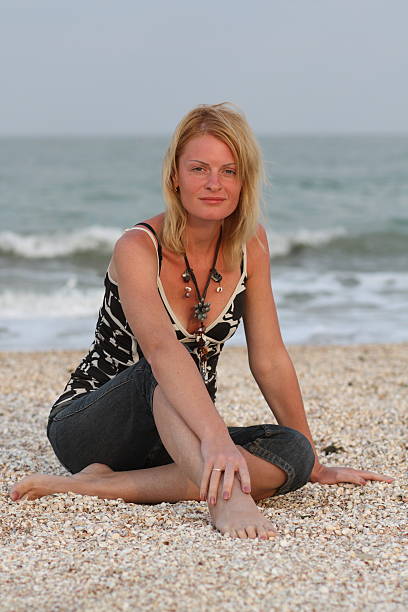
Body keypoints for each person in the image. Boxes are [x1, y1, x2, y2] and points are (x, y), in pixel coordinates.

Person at [10, 103, 393, 540]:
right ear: (175, 175)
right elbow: (161, 351)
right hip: (95, 423)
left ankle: (100, 486)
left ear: (244, 180)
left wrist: (315, 462)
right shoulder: (137, 247)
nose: (214, 184)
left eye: (229, 171)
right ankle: (225, 500)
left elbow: (268, 357)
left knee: (293, 454)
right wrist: (217, 443)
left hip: (181, 430)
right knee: (165, 371)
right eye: (199, 169)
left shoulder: (252, 245)